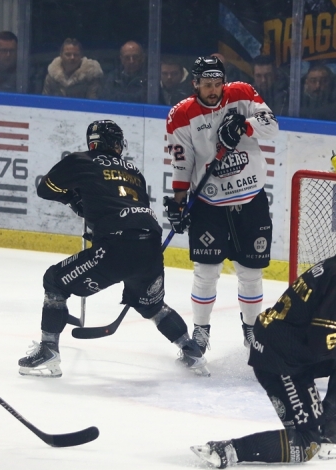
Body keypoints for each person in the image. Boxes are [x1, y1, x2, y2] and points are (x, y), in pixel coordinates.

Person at [190, 217, 336, 467]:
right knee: (307, 444)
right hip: (281, 361)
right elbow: (323, 344)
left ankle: (329, 425)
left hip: (281, 349)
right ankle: (228, 450)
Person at [18, 120, 207, 378]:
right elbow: (123, 206)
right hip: (150, 246)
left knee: (54, 281)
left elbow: (46, 189)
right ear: (117, 144)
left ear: (92, 142)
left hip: (116, 247)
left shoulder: (81, 160)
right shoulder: (133, 172)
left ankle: (49, 351)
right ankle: (192, 352)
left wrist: (73, 199)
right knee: (153, 306)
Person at [165, 56, 278, 356]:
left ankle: (251, 333)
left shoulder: (241, 93)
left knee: (251, 271)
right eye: (206, 85)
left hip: (250, 197)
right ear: (195, 84)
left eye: (217, 84)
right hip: (208, 203)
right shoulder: (181, 115)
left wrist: (245, 125)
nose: (213, 90)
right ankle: (200, 334)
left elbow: (272, 125)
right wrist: (178, 204)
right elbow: (182, 163)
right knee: (205, 270)